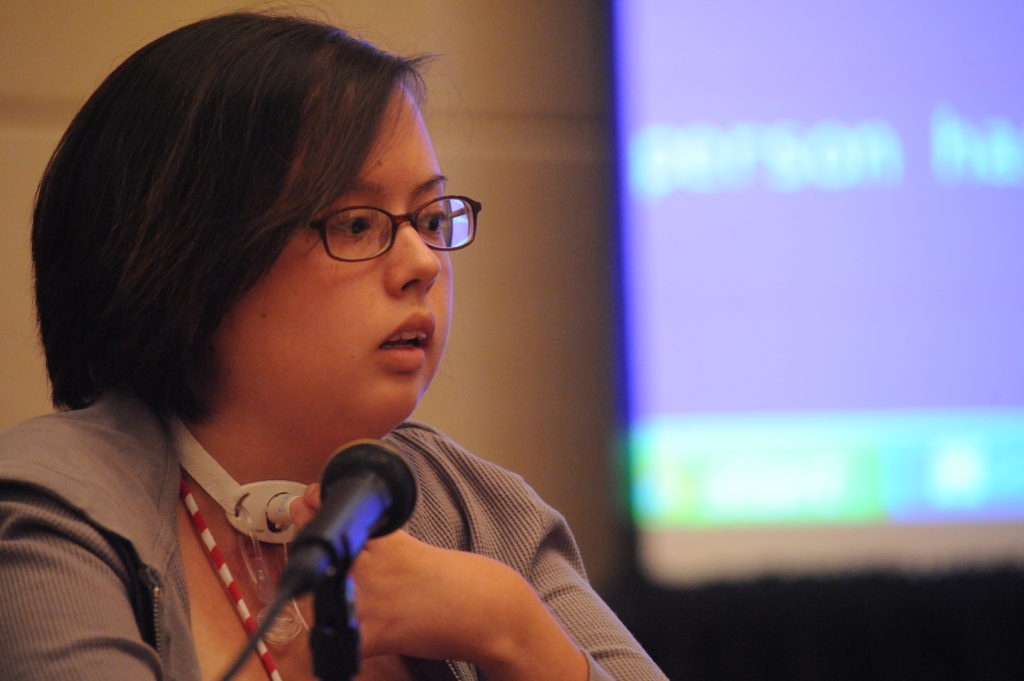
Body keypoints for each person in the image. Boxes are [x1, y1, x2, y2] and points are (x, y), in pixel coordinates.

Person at [0, 12, 666, 681]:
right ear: (188, 260)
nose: (423, 262)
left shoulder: (480, 508)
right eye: (356, 222)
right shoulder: (52, 509)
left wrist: (508, 624)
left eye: (432, 219)